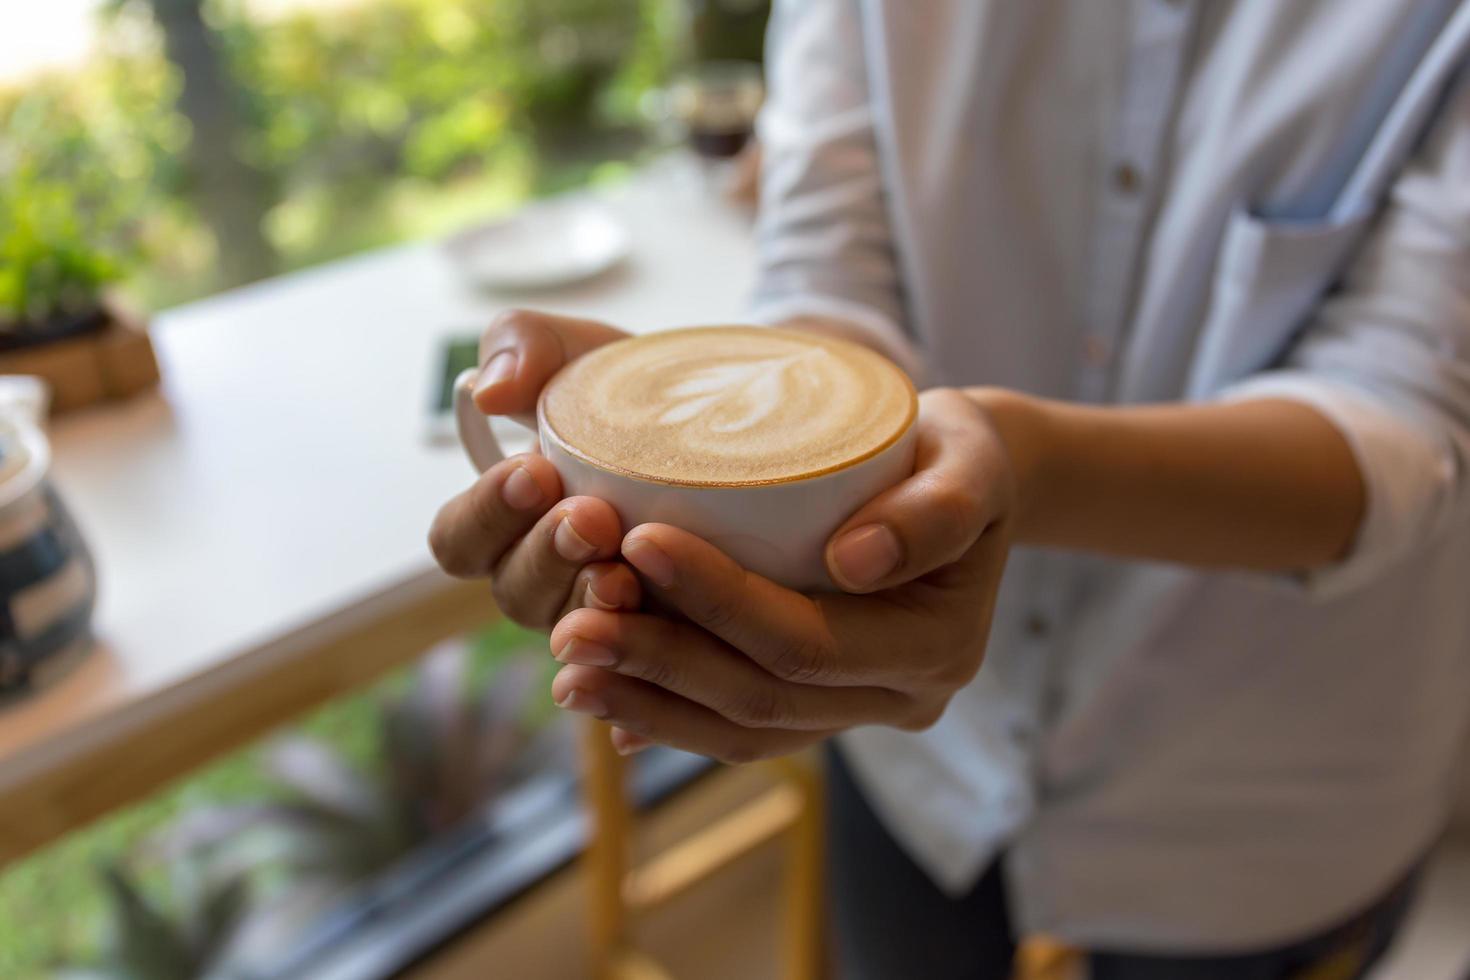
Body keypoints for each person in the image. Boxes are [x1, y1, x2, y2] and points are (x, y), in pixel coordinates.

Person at [429, 2, 1470, 976]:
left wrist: (1025, 464)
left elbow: (1403, 414)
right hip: (910, 765)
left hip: (1259, 790)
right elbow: (827, 269)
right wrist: (731, 498)